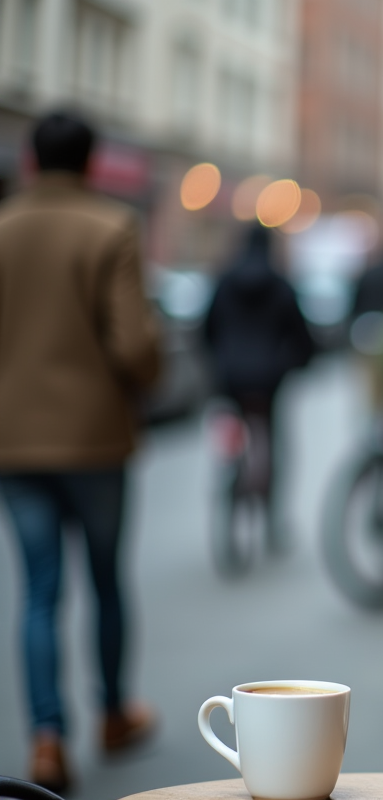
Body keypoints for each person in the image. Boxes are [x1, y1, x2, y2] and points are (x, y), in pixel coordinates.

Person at [0, 111, 162, 791]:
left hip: (14, 439)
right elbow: (134, 344)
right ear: (93, 162)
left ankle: (46, 740)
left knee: (38, 590)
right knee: (104, 579)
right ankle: (113, 715)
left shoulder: (4, 227)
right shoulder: (110, 226)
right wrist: (149, 373)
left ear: (32, 160)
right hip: (94, 437)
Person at [203, 223, 315, 550]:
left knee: (231, 439)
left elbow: (207, 329)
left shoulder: (224, 282)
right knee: (274, 445)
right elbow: (301, 335)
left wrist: (219, 359)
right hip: (269, 380)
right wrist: (299, 361)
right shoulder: (280, 284)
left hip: (230, 380)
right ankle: (271, 519)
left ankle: (230, 483)